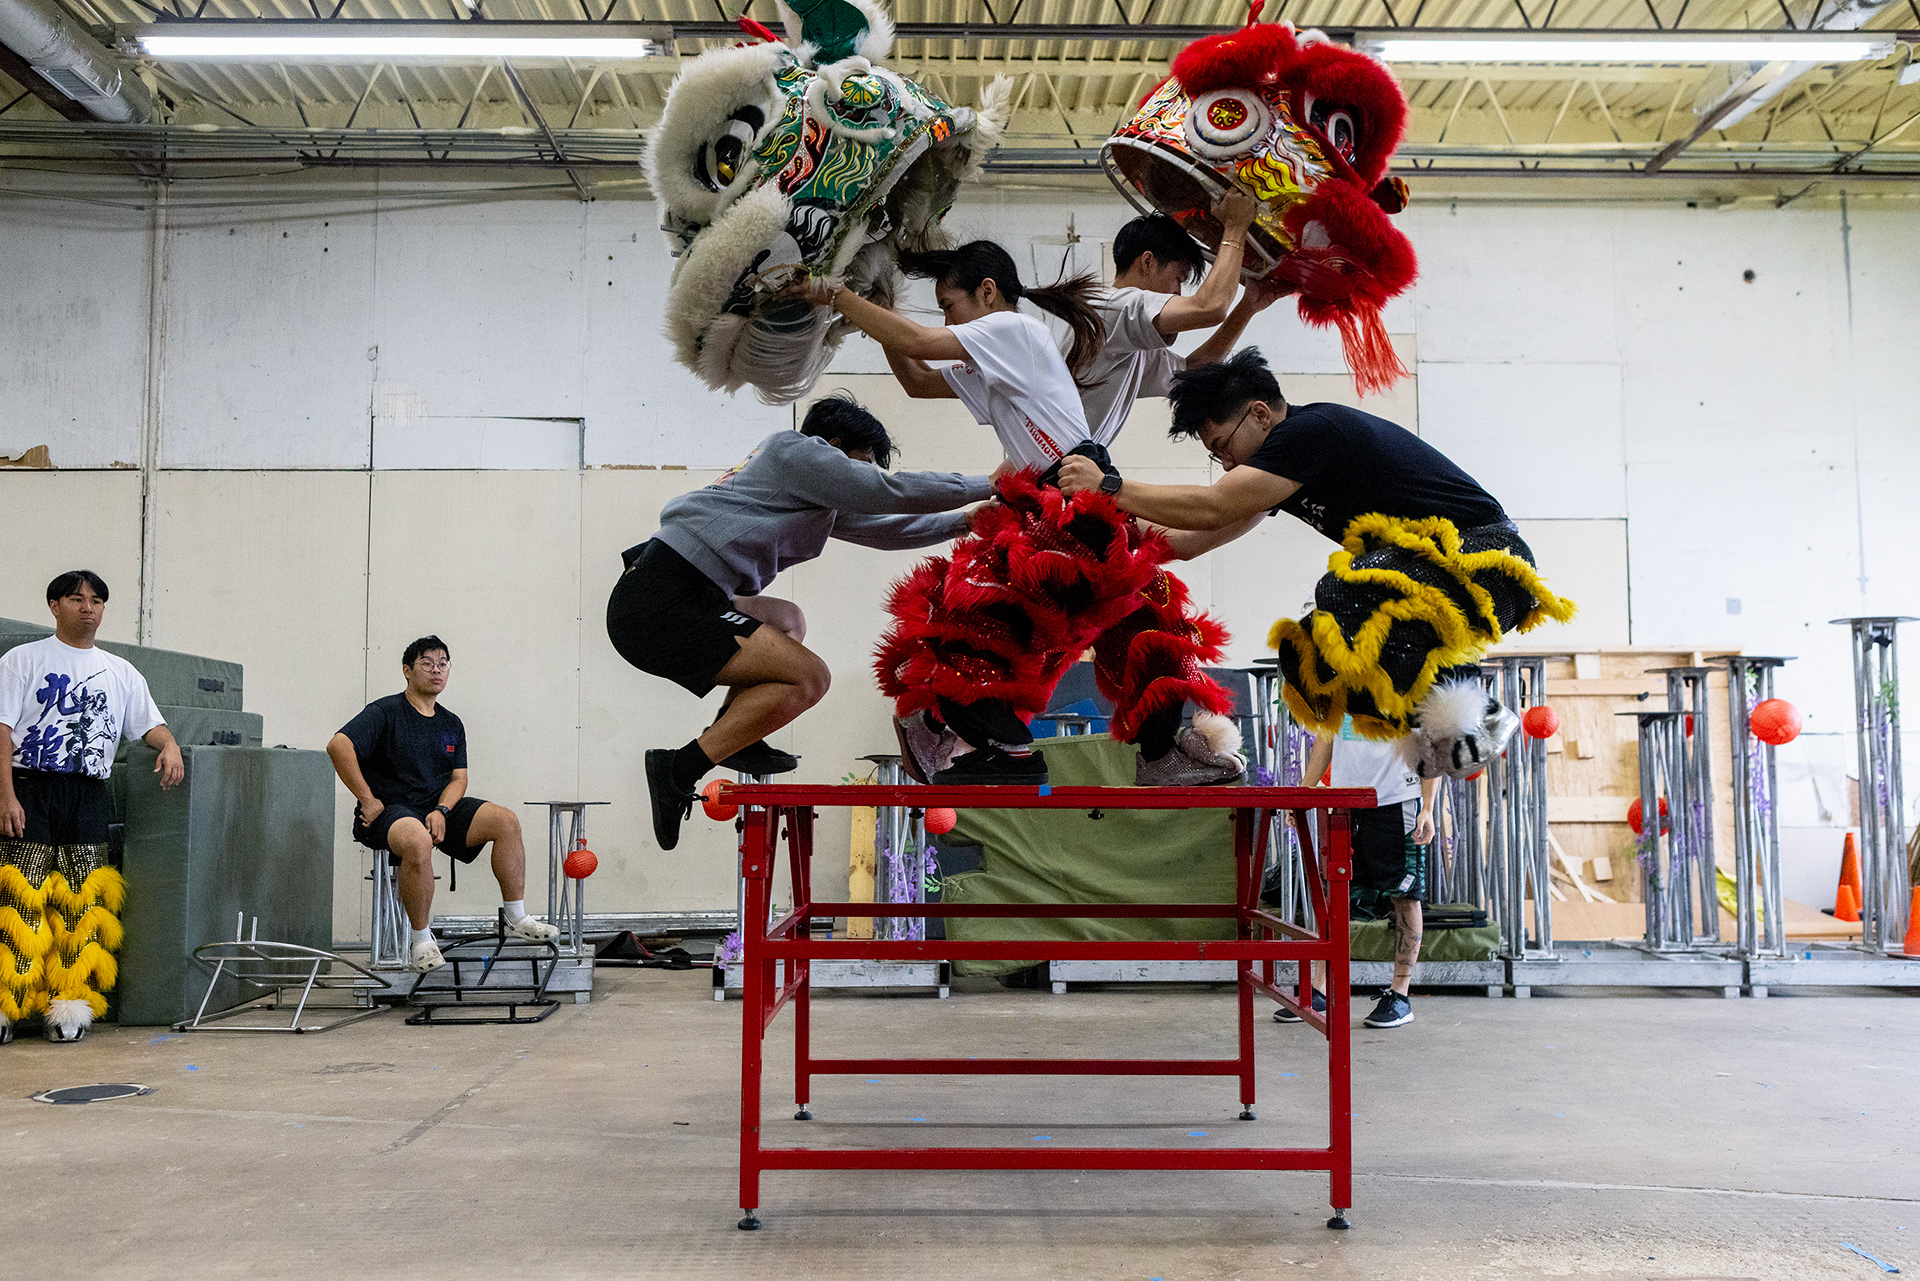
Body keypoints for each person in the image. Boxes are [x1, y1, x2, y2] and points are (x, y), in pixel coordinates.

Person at [809, 242, 1240, 787]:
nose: (947, 320)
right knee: (1103, 619)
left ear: (987, 292)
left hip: (1068, 497)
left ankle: (1120, 750)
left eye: (949, 305)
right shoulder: (998, 354)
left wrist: (836, 294)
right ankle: (965, 728)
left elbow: (916, 341)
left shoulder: (1012, 331)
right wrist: (877, 309)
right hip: (1061, 499)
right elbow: (918, 379)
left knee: (1011, 618)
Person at [1055, 347, 1575, 778]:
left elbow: (1215, 504)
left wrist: (1111, 486)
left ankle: (1478, 716)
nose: (1229, 463)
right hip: (1436, 573)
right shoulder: (1287, 470)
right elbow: (1191, 539)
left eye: (1223, 446)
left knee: (1342, 591)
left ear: (1260, 412)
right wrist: (1100, 518)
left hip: (1487, 558)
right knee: (1306, 656)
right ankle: (1437, 724)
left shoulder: (1310, 432)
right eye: (1218, 457)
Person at [613, 395, 992, 852]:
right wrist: (987, 483)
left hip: (684, 593)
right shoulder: (793, 450)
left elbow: (884, 526)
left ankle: (734, 737)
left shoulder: (810, 490)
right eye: (862, 464)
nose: (863, 477)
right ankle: (680, 768)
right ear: (833, 446)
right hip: (661, 601)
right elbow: (885, 491)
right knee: (810, 678)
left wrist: (963, 522)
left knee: (788, 619)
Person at [0, 570, 182, 1043]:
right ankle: (6, 1004)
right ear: (54, 605)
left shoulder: (121, 671)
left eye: (97, 600)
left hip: (87, 792)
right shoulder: (22, 660)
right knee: (20, 895)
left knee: (82, 897)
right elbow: (1, 732)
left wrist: (171, 746)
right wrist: (6, 797)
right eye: (76, 599)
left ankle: (69, 1006)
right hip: (30, 786)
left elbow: (149, 725)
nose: (88, 607)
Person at [328, 636, 558, 974]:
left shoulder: (451, 723)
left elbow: (458, 779)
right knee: (418, 840)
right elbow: (338, 745)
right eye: (426, 663)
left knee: (506, 821)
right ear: (407, 670)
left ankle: (515, 915)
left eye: (443, 663)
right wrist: (368, 800)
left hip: (436, 810)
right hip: (391, 811)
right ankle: (420, 940)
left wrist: (443, 810)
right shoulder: (385, 712)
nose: (436, 670)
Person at [1075, 200, 1288, 447]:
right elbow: (1210, 307)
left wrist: (1248, 306)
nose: (1177, 292)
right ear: (1147, 262)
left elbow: (1192, 371)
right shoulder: (1114, 306)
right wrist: (1235, 226)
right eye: (1178, 279)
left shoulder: (1126, 336)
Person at [1274, 721, 1437, 1030]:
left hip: (1396, 797)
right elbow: (1326, 736)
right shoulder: (1341, 680)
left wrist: (1427, 806)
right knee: (1337, 891)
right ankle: (1319, 990)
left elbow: (1433, 740)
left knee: (1405, 894)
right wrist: (1304, 792)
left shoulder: (1406, 677)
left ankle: (1400, 996)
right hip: (1345, 799)